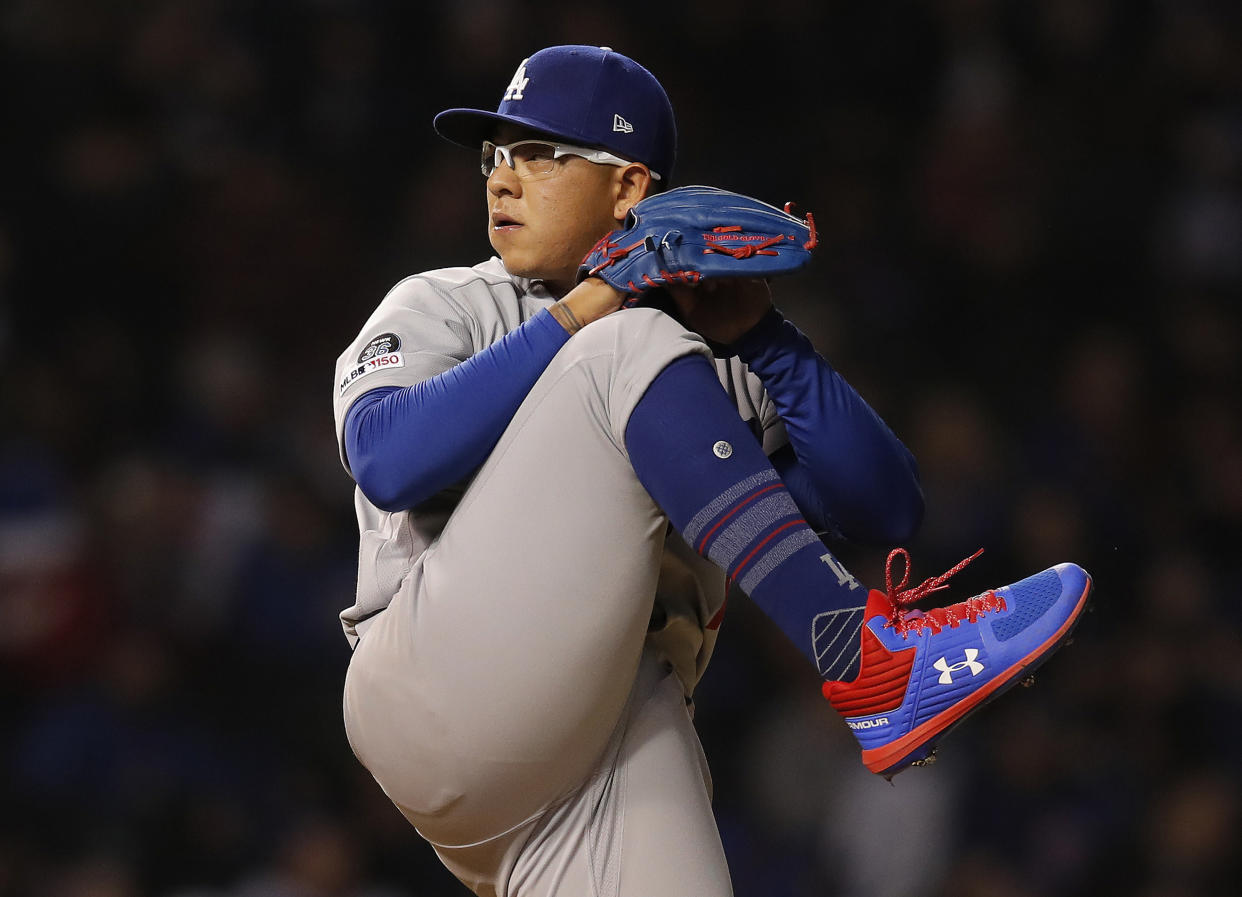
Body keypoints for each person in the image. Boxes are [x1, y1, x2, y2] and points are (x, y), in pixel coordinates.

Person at [331, 45, 1091, 897]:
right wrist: (594, 305)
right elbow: (388, 461)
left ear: (629, 189)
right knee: (626, 346)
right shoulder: (447, 301)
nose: (502, 179)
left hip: (604, 744)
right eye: (494, 156)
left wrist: (769, 340)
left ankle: (873, 659)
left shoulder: (705, 364)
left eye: (540, 154)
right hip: (435, 682)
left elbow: (882, 506)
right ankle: (869, 659)